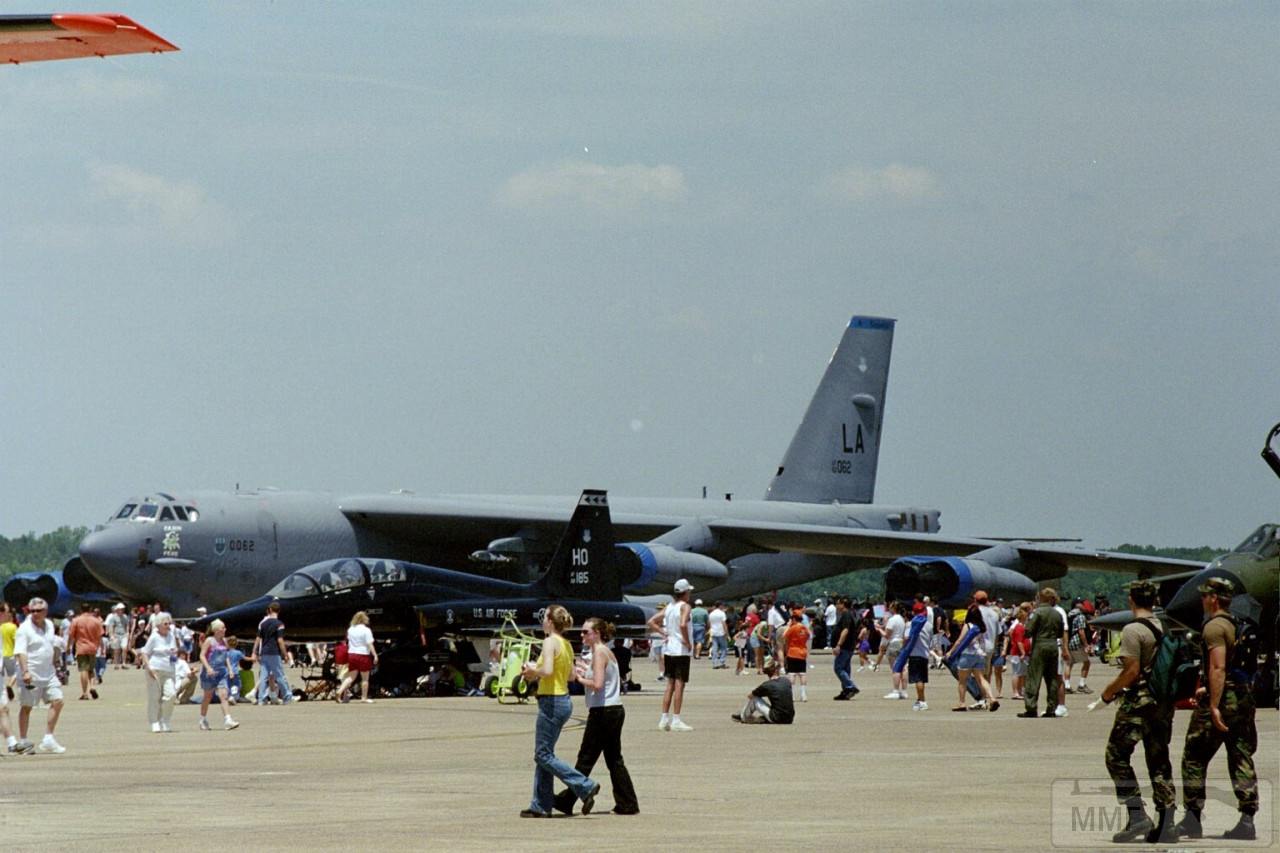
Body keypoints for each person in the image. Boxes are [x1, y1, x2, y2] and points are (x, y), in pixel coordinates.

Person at [1174, 577, 1259, 841]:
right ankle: (1247, 818)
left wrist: (1212, 704)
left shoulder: (1214, 627)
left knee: (1194, 756)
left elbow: (1218, 667)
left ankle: (1192, 817)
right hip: (1242, 696)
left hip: (1224, 699)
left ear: (1213, 598)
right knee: (1241, 756)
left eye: (1204, 596)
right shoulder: (1237, 623)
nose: (1202, 600)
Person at [1098, 580, 1175, 843]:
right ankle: (1167, 822)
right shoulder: (1163, 626)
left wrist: (1109, 692)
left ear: (1132, 600)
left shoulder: (1132, 629)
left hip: (1139, 703)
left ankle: (1137, 815)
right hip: (1162, 703)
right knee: (1159, 760)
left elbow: (1131, 671)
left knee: (1116, 756)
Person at [518, 604, 600, 818]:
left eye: (544, 617)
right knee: (544, 755)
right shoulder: (566, 644)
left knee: (542, 754)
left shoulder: (549, 642)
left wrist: (531, 671)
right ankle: (541, 804)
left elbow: (546, 670)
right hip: (563, 699)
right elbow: (572, 676)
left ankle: (584, 784)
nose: (542, 621)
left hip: (551, 701)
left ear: (551, 622)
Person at [551, 618, 639, 816]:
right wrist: (584, 671)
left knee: (586, 757)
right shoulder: (603, 652)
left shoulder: (599, 653)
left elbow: (598, 684)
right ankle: (627, 802)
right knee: (614, 758)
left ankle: (568, 800)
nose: (582, 635)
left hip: (604, 711)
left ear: (597, 633)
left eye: (585, 632)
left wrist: (579, 678)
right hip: (613, 709)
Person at [14, 597, 67, 753]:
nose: (35, 614)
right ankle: (23, 741)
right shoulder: (24, 629)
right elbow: (20, 652)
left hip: (48, 672)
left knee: (58, 700)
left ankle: (48, 738)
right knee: (27, 706)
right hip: (31, 672)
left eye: (39, 611)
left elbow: (51, 645)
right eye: (32, 611)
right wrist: (25, 671)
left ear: (45, 611)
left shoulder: (50, 625)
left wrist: (56, 661)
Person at [1019, 588, 1068, 718]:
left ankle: (1031, 708)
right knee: (1052, 678)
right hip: (1053, 645)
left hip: (1040, 645)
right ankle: (1051, 708)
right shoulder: (1057, 613)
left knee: (1034, 677)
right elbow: (1060, 633)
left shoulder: (1038, 613)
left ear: (1042, 598)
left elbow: (1028, 630)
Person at [655, 579, 694, 732]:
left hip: (669, 648)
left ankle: (664, 718)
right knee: (680, 684)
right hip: (680, 650)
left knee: (670, 684)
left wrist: (663, 632)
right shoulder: (685, 606)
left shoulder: (669, 607)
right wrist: (686, 641)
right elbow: (683, 624)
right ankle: (676, 718)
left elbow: (652, 621)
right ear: (686, 593)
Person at [141, 612, 180, 733]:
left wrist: (175, 652)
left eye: (169, 623)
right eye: (165, 623)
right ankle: (154, 722)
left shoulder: (171, 636)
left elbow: (174, 651)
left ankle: (165, 719)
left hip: (169, 669)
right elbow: (145, 652)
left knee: (171, 695)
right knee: (154, 697)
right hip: (155, 669)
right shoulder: (154, 637)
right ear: (158, 625)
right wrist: (149, 667)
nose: (168, 626)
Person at [198, 619, 240, 730]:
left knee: (224, 696)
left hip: (221, 673)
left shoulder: (224, 641)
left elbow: (225, 656)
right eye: (223, 628)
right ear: (216, 630)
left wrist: (230, 669)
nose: (225, 630)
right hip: (210, 673)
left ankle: (228, 720)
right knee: (207, 697)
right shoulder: (209, 641)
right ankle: (202, 719)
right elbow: (202, 655)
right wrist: (208, 668)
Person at [731, 658, 794, 724]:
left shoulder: (766, 685)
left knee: (755, 699)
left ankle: (743, 717)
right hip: (790, 718)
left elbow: (750, 696)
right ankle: (764, 718)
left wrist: (762, 693)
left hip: (776, 718)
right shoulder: (786, 681)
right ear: (777, 670)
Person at [254, 601, 293, 705]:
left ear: (269, 610)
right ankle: (287, 696)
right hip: (274, 652)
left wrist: (255, 652)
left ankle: (261, 699)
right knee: (279, 675)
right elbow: (280, 640)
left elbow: (258, 639)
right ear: (279, 611)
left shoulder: (263, 624)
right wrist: (285, 654)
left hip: (264, 652)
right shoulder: (279, 624)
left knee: (263, 677)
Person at [336, 611, 378, 703]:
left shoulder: (351, 629)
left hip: (352, 654)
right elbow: (369, 644)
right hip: (363, 654)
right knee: (365, 678)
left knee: (351, 676)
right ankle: (364, 697)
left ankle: (339, 691)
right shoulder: (366, 630)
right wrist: (375, 655)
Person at [900, 601, 933, 711]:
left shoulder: (911, 623)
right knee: (922, 679)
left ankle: (922, 700)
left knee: (918, 679)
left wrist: (903, 649)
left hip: (914, 654)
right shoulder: (929, 625)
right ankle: (920, 699)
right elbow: (930, 639)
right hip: (924, 653)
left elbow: (906, 638)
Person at [67, 603, 103, 701]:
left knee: (83, 670)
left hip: (81, 648)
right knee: (91, 670)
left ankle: (84, 693)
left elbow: (71, 635)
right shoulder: (96, 621)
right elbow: (100, 635)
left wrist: (68, 647)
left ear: (80, 610)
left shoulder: (76, 620)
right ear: (90, 609)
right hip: (92, 648)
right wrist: (100, 647)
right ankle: (92, 687)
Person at [831, 597, 860, 700]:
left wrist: (838, 645)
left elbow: (845, 630)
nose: (836, 606)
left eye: (838, 603)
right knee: (845, 670)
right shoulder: (849, 614)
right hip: (849, 647)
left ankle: (850, 686)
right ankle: (846, 692)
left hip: (845, 647)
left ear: (843, 604)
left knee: (838, 668)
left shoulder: (846, 615)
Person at [1064, 597, 1093, 694]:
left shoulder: (1069, 615)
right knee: (1087, 663)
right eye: (1080, 603)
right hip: (1077, 642)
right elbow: (1081, 631)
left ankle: (1067, 686)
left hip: (1069, 642)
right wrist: (1085, 644)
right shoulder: (1080, 616)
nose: (1083, 605)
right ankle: (1081, 684)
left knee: (1069, 663)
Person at [782, 609, 811, 702]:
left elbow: (784, 635)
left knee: (792, 674)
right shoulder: (804, 628)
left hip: (793, 652)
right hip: (802, 652)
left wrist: (788, 625)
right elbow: (808, 636)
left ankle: (793, 695)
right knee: (802, 674)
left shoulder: (793, 627)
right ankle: (803, 694)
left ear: (794, 618)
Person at [880, 603, 907, 700]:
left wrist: (879, 629)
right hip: (901, 642)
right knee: (903, 668)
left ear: (894, 608)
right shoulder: (902, 619)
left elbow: (887, 635)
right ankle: (904, 691)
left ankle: (895, 691)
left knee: (895, 668)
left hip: (893, 643)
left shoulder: (892, 619)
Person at [104, 603, 130, 670]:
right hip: (116, 635)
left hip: (124, 634)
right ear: (117, 610)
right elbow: (111, 627)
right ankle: (116, 664)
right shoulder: (113, 617)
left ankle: (124, 663)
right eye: (120, 609)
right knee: (117, 650)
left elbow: (127, 625)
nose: (121, 610)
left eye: (122, 609)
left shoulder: (125, 617)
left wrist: (127, 632)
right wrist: (112, 635)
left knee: (124, 648)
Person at [707, 602, 728, 669]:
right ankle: (722, 662)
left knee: (715, 648)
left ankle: (715, 663)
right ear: (720, 606)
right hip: (721, 632)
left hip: (714, 632)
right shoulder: (722, 613)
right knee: (723, 648)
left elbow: (709, 623)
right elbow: (724, 623)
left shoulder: (711, 614)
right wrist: (726, 632)